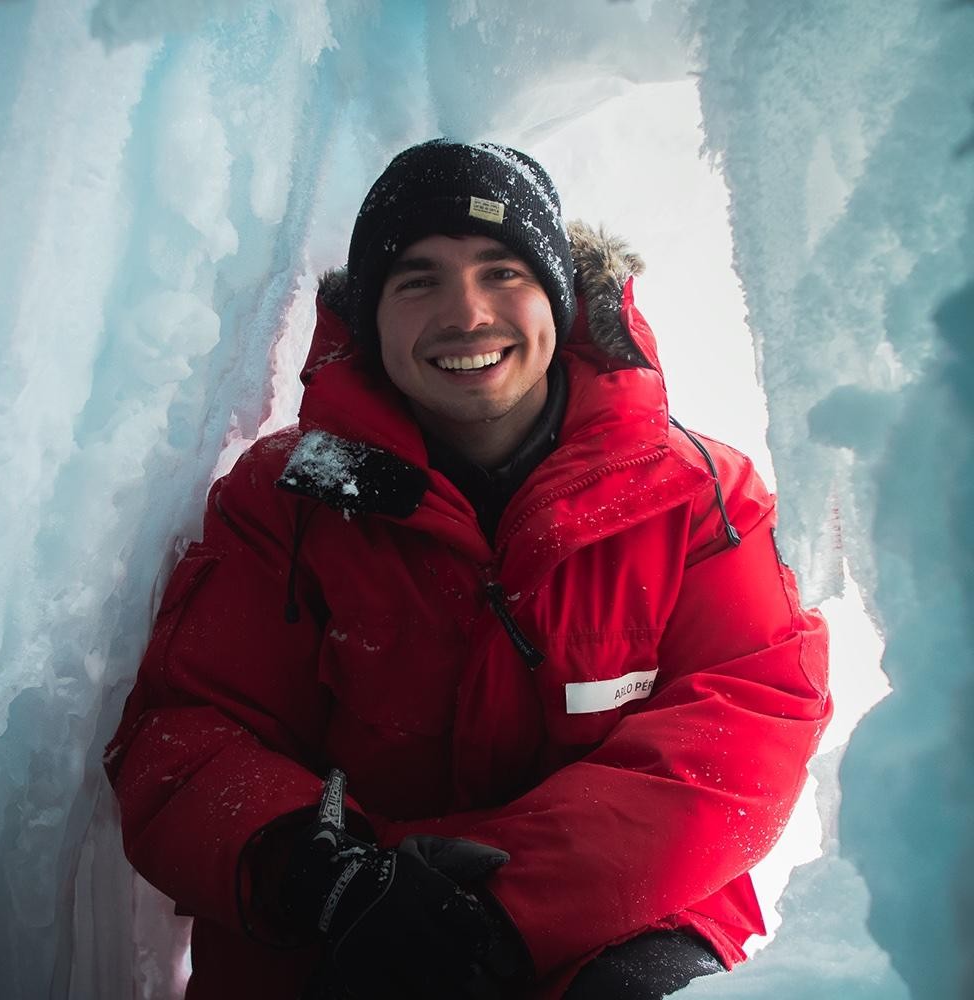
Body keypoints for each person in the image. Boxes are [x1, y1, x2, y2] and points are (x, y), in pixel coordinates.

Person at [106, 139, 832, 1000]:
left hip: (615, 923)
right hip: (349, 925)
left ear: (559, 300)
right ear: (370, 319)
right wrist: (323, 874)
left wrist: (503, 914)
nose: (467, 314)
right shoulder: (285, 499)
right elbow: (185, 732)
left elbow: (747, 726)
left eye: (503, 273)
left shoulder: (699, 497)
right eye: (418, 281)